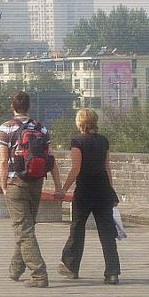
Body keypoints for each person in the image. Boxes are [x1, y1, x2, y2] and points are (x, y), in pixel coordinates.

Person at [0, 91, 64, 288]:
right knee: (27, 227)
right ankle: (16, 268)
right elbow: (51, 160)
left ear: (13, 107)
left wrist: (4, 184)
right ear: (29, 106)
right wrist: (58, 186)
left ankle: (39, 274)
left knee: (23, 229)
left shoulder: (6, 128)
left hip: (16, 183)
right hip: (36, 182)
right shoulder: (41, 128)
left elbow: (3, 160)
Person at [57, 108, 121, 285]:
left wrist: (64, 189)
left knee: (77, 228)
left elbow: (76, 168)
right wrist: (111, 190)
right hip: (102, 190)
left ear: (80, 123)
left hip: (85, 190)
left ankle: (71, 266)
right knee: (107, 232)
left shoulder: (77, 141)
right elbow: (107, 167)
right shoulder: (103, 140)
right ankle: (112, 272)